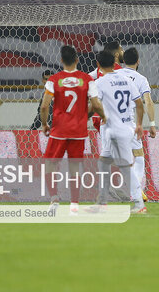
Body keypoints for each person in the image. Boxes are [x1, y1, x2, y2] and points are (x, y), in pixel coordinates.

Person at [40, 46, 104, 215]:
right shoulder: (86, 79)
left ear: (61, 60)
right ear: (77, 60)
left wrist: (45, 124)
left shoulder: (54, 80)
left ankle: (54, 198)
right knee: (75, 167)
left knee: (50, 164)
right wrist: (105, 116)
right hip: (79, 131)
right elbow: (96, 104)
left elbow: (45, 105)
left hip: (59, 130)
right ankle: (74, 204)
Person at [92, 50, 146, 214]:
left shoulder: (100, 83)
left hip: (113, 130)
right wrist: (138, 124)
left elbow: (95, 105)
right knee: (104, 162)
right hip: (127, 128)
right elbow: (139, 104)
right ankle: (102, 202)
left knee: (124, 167)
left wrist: (98, 115)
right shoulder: (126, 80)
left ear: (99, 65)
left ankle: (138, 204)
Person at [116, 47, 157, 204]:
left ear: (123, 61)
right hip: (129, 123)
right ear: (138, 61)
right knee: (138, 156)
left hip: (112, 123)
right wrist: (152, 124)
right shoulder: (141, 79)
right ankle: (136, 188)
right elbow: (148, 102)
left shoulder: (114, 75)